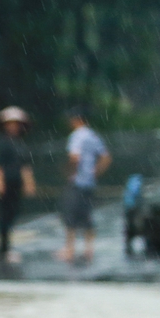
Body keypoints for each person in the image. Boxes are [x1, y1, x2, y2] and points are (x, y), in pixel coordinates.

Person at [58, 108, 111, 265]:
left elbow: (74, 157)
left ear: (76, 120)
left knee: (70, 215)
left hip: (77, 181)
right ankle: (89, 250)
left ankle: (70, 250)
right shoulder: (93, 135)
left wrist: (69, 172)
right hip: (89, 182)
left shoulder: (76, 136)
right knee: (87, 215)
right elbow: (106, 157)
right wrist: (95, 171)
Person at [0, 106, 35, 264]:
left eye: (16, 123)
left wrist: (29, 182)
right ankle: (4, 250)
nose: (13, 126)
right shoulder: (1, 142)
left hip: (17, 183)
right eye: (10, 123)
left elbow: (25, 164)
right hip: (6, 183)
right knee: (5, 216)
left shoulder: (19, 142)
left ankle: (6, 248)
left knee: (13, 214)